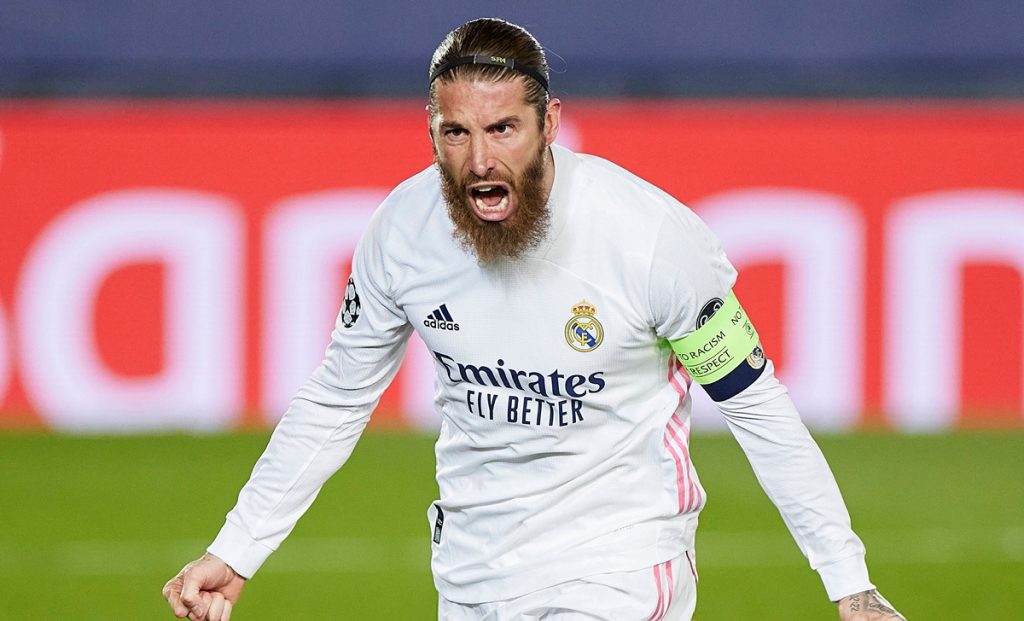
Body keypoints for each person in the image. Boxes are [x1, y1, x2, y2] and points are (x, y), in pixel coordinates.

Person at [163, 17, 905, 621]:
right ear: (430, 129)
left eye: (503, 129)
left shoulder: (649, 238)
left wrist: (850, 583)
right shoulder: (403, 231)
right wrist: (237, 549)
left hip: (618, 568)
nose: (480, 160)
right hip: (472, 574)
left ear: (550, 122)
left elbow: (756, 406)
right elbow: (336, 398)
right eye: (456, 132)